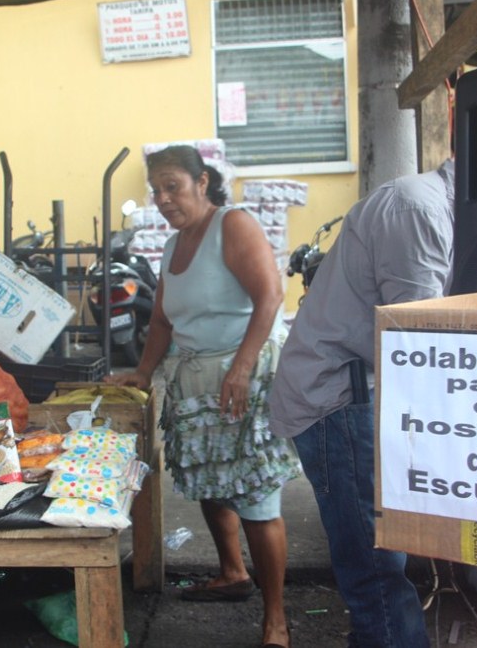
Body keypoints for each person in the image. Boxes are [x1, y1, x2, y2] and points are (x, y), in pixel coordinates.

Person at [107, 144, 301, 648]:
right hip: (194, 378)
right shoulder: (173, 247)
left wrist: (240, 368)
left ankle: (276, 618)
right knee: (210, 481)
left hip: (246, 373)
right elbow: (164, 320)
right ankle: (233, 573)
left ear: (202, 183)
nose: (164, 197)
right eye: (156, 190)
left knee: (256, 493)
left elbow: (271, 297)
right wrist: (143, 372)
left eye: (173, 185)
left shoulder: (232, 225)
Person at [269, 160, 456, 648]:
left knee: (376, 560)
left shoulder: (434, 207)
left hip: (358, 389)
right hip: (339, 398)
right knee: (374, 566)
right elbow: (420, 343)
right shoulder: (419, 209)